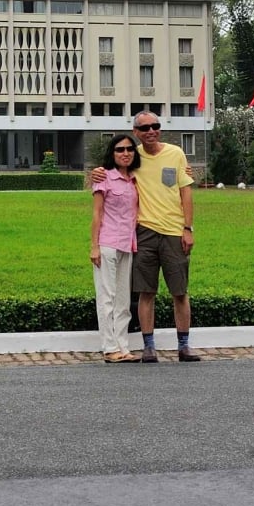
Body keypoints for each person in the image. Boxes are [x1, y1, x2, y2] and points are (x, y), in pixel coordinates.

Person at [90, 110, 199, 362]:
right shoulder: (132, 156)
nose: (151, 131)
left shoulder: (175, 153)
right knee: (145, 291)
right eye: (145, 127)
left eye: (155, 126)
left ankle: (184, 345)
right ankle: (148, 346)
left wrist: (188, 228)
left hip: (173, 231)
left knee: (179, 291)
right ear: (136, 132)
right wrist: (97, 171)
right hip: (143, 233)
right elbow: (109, 169)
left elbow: (186, 193)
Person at [92, 133, 141, 363]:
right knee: (107, 297)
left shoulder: (135, 179)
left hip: (127, 245)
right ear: (112, 153)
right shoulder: (104, 177)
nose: (125, 153)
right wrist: (94, 246)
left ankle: (123, 345)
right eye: (120, 150)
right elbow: (97, 213)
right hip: (108, 244)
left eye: (129, 149)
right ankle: (109, 347)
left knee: (123, 299)